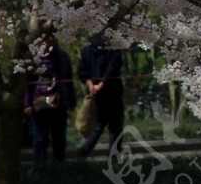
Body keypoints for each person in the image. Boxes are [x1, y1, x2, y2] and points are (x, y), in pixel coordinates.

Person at [23, 29, 76, 164]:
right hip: (41, 101)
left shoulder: (63, 56)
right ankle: (40, 165)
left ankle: (59, 164)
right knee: (41, 136)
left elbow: (68, 79)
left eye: (53, 36)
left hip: (60, 101)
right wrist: (27, 103)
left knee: (59, 136)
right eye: (47, 37)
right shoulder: (35, 57)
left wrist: (71, 101)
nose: (51, 40)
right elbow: (28, 81)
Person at [75, 31, 126, 159]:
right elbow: (114, 66)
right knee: (115, 126)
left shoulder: (86, 49)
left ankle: (84, 151)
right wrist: (101, 83)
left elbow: (82, 70)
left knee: (99, 125)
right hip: (112, 91)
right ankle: (113, 157)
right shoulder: (113, 47)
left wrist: (92, 85)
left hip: (96, 93)